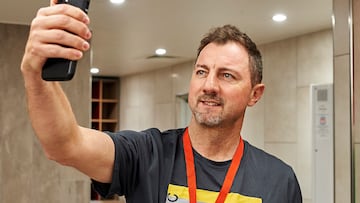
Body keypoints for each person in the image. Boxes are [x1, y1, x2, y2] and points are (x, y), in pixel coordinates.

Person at [21, 1, 302, 203]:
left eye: (227, 75)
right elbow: (64, 144)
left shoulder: (278, 179)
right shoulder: (146, 155)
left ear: (255, 94)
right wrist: (36, 75)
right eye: (201, 72)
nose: (209, 85)